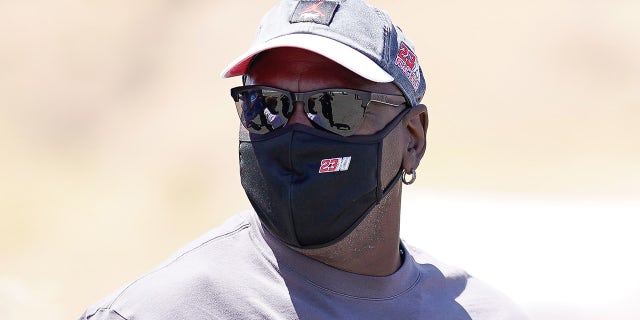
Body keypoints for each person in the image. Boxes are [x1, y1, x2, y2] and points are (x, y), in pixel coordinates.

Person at [78, 0, 529, 319]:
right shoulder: (156, 312)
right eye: (266, 106)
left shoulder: (481, 313)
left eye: (336, 106)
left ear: (412, 139)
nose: (296, 133)